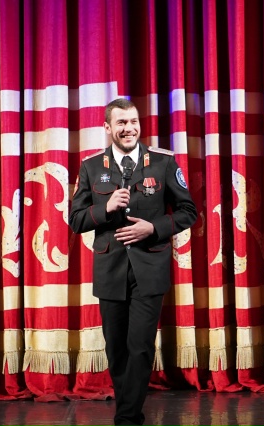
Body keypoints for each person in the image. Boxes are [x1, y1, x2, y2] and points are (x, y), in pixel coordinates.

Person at [69, 98, 197, 426]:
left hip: (149, 269)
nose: (129, 129)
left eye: (134, 122)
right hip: (110, 270)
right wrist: (106, 207)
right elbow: (76, 220)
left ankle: (127, 418)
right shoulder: (91, 167)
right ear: (108, 127)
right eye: (122, 123)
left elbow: (188, 212)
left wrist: (153, 228)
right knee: (116, 349)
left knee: (140, 346)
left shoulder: (163, 163)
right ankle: (128, 411)